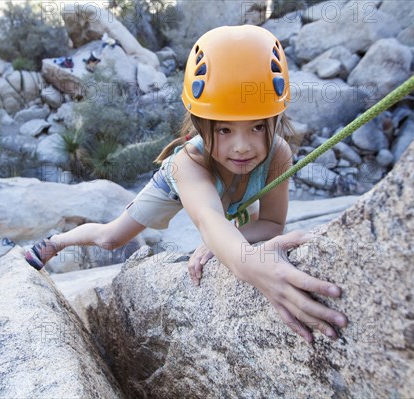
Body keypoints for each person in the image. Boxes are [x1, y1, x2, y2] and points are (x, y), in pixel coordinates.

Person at [25, 26, 347, 343]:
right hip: (176, 185)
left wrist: (224, 241)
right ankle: (57, 242)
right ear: (200, 124)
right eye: (224, 130)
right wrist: (253, 265)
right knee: (111, 238)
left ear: (275, 119)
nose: (242, 147)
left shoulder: (278, 153)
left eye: (257, 127)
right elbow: (209, 219)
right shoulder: (187, 164)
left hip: (225, 194)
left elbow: (273, 223)